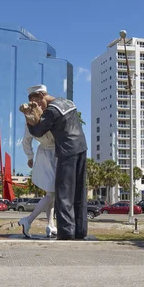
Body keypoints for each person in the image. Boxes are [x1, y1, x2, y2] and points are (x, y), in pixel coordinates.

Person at [22, 85, 88, 241]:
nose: (37, 108)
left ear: (41, 95)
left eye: (36, 103)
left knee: (63, 192)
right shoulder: (68, 102)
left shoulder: (52, 111)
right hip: (81, 147)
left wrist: (29, 119)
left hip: (67, 150)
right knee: (79, 192)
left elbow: (38, 131)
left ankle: (66, 232)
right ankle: (80, 230)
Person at [18, 105, 57, 238]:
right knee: (51, 193)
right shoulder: (46, 117)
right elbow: (26, 140)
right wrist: (29, 156)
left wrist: (30, 156)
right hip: (51, 155)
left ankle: (51, 224)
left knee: (51, 193)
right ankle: (28, 220)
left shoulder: (31, 122)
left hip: (45, 154)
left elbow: (26, 140)